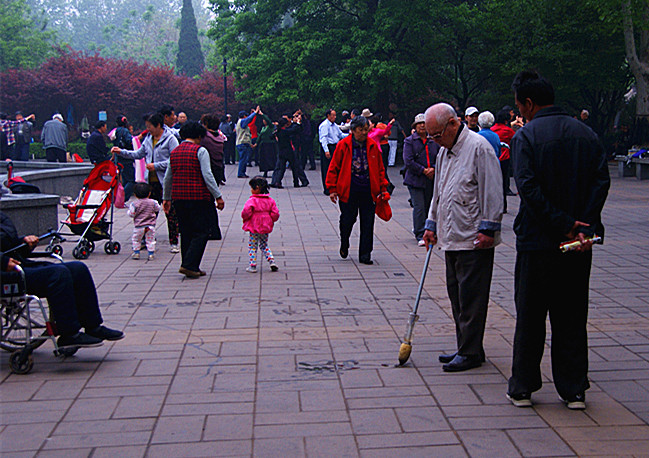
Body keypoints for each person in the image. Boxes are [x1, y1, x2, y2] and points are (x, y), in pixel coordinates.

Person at [506, 70, 610, 410]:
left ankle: (523, 386)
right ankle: (573, 388)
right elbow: (601, 181)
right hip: (579, 243)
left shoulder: (526, 136)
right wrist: (583, 225)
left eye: (520, 105)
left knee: (531, 315)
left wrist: (563, 224)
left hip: (539, 241)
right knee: (571, 314)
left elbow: (529, 190)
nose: (520, 112)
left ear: (530, 103)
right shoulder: (586, 134)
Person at [422, 103, 503, 372]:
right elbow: (439, 191)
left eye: (437, 135)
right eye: (430, 136)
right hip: (451, 234)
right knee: (457, 295)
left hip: (473, 237)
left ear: (454, 124)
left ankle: (469, 352)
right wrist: (431, 223)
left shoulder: (479, 148)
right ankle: (467, 347)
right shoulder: (444, 152)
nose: (434, 141)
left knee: (471, 298)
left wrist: (488, 228)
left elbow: (493, 190)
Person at [0, 211, 124, 349]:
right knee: (58, 274)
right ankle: (69, 334)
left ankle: (93, 326)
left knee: (78, 269)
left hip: (17, 265)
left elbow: (8, 245)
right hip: (5, 275)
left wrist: (24, 242)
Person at [163, 121, 225, 278]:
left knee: (186, 231)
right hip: (198, 197)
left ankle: (191, 266)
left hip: (179, 197)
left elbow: (168, 177)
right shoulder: (200, 151)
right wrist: (217, 195)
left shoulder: (175, 152)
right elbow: (207, 175)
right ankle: (189, 264)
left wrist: (166, 197)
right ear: (199, 135)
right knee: (202, 231)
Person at [112, 113, 181, 253]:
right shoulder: (149, 139)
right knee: (147, 213)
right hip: (151, 182)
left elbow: (175, 160)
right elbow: (138, 154)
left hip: (166, 183)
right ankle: (144, 240)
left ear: (158, 125)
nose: (147, 129)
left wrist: (157, 165)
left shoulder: (170, 139)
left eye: (149, 126)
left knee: (171, 213)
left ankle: (174, 242)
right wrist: (121, 152)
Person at [326, 115, 389, 265]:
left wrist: (383, 187)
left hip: (368, 190)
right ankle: (344, 242)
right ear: (353, 130)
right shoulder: (343, 145)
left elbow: (380, 169)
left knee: (368, 222)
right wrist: (332, 188)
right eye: (361, 130)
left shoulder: (372, 145)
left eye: (366, 130)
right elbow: (334, 167)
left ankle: (365, 254)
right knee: (348, 219)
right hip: (349, 189)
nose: (364, 133)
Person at [403, 113, 439, 246]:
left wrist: (434, 169)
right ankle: (419, 233)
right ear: (415, 126)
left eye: (424, 123)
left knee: (430, 205)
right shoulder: (410, 141)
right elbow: (408, 161)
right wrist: (423, 170)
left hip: (431, 179)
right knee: (419, 207)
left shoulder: (434, 141)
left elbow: (440, 157)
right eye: (419, 124)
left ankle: (430, 230)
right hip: (416, 179)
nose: (422, 126)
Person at [241, 176, 280, 273]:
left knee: (252, 246)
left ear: (257, 188)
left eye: (252, 188)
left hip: (254, 226)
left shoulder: (252, 201)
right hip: (265, 226)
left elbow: (246, 212)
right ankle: (271, 260)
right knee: (264, 245)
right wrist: (271, 220)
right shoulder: (270, 201)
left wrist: (245, 218)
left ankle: (253, 265)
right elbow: (275, 213)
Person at [270, 114, 309, 188]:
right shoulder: (285, 132)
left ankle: (278, 181)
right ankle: (296, 182)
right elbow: (295, 130)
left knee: (281, 168)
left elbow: (271, 136)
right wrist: (298, 123)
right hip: (289, 151)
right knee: (294, 167)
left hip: (281, 151)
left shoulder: (278, 131)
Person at [492, 109, 517, 211]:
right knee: (503, 183)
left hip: (494, 158)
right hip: (505, 159)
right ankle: (503, 206)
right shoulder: (508, 131)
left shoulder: (493, 130)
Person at [127, 182, 160, 261]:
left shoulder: (134, 204)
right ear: (149, 193)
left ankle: (136, 252)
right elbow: (157, 209)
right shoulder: (153, 202)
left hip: (139, 226)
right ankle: (151, 254)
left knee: (136, 239)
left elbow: (131, 214)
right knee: (150, 240)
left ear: (135, 195)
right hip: (150, 225)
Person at [318, 109, 346, 195]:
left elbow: (340, 135)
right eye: (333, 115)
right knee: (327, 168)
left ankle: (335, 186)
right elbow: (323, 138)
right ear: (328, 116)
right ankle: (327, 188)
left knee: (335, 167)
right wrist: (326, 150)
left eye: (335, 115)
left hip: (335, 146)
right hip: (328, 147)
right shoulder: (324, 125)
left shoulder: (335, 126)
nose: (335, 117)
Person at [113, 116, 136, 201]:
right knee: (131, 180)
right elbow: (130, 142)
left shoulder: (115, 131)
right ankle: (122, 198)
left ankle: (121, 198)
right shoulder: (125, 131)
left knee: (125, 179)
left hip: (119, 157)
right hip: (126, 157)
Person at [200, 114, 227, 186]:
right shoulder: (219, 137)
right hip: (218, 169)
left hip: (208, 170)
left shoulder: (204, 138)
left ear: (206, 124)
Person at [236, 108, 258, 178]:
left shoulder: (240, 122)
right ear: (244, 116)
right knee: (243, 159)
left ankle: (242, 172)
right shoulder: (242, 122)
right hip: (242, 143)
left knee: (244, 158)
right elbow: (249, 119)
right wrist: (255, 113)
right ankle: (241, 173)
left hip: (243, 143)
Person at [256, 112, 277, 178]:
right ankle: (265, 171)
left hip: (270, 145)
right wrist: (256, 143)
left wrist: (262, 114)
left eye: (264, 120)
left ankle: (274, 171)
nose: (264, 121)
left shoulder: (270, 126)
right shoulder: (263, 128)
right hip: (263, 145)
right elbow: (260, 136)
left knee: (270, 158)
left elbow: (268, 121)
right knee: (264, 159)